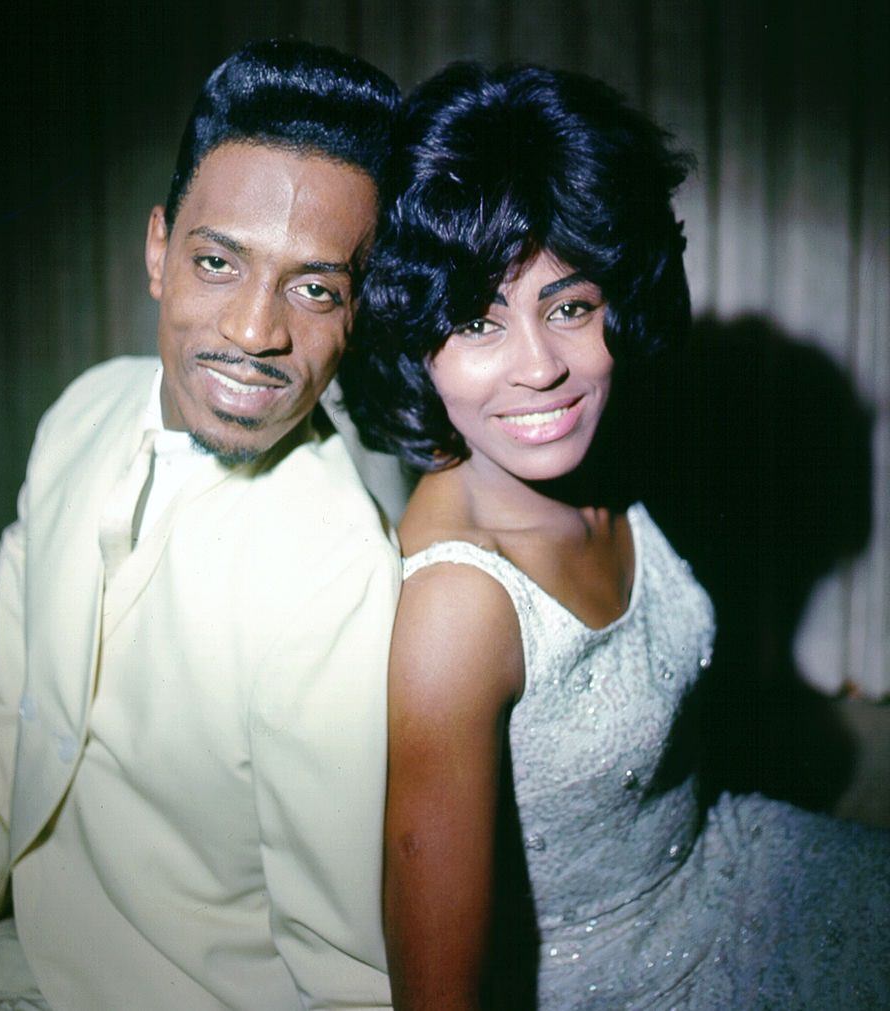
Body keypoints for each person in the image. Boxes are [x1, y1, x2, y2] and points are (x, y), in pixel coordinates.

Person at [341, 62, 890, 1009]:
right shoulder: (455, 614)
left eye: (569, 306)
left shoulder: (608, 449)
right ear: (412, 341)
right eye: (477, 321)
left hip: (720, 871)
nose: (540, 369)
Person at [0, 39, 401, 1010]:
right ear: (158, 252)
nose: (252, 330)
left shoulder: (343, 572)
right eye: (217, 262)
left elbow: (349, 975)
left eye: (314, 288)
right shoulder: (84, 412)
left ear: (357, 314)